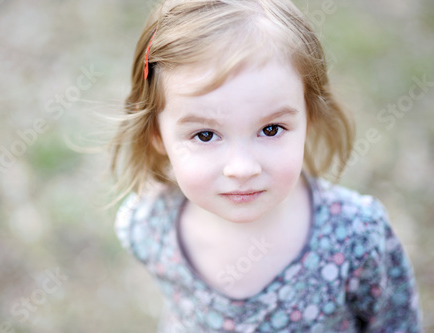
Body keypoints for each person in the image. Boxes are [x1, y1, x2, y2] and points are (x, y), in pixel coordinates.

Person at [110, 0, 423, 331]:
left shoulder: (357, 238)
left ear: (310, 119)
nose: (242, 168)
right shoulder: (148, 225)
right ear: (157, 135)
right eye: (205, 135)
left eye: (270, 129)